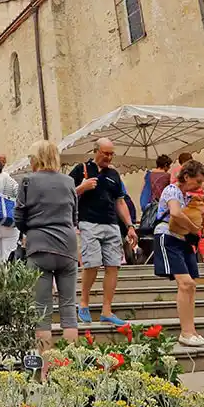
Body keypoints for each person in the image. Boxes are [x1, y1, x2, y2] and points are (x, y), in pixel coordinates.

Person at [16, 139, 79, 347]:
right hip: (68, 246)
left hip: (39, 245)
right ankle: (71, 367)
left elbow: (19, 217)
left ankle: (46, 370)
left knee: (42, 311)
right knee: (69, 309)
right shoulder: (69, 182)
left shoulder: (27, 181)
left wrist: (31, 232)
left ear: (35, 159)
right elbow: (75, 217)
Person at [69, 138, 136, 326]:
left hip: (112, 224)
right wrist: (82, 187)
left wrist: (130, 226)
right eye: (105, 153)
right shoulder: (81, 169)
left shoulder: (114, 174)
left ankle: (107, 310)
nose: (108, 157)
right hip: (88, 222)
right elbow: (65, 193)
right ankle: (84, 303)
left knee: (113, 265)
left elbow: (120, 202)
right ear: (96, 151)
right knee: (92, 263)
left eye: (111, 154)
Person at [154, 159, 204, 347]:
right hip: (168, 237)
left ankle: (191, 331)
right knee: (185, 283)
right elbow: (176, 214)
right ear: (186, 176)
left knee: (191, 285)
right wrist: (195, 227)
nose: (200, 185)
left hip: (183, 240)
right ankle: (186, 333)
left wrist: (203, 217)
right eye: (198, 181)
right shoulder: (172, 190)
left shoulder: (188, 196)